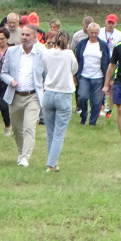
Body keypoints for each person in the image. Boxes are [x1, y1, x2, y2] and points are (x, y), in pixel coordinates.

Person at [0, 24, 47, 168]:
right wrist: (10, 81)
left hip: (33, 96)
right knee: (17, 128)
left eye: (28, 35)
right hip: (15, 96)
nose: (24, 37)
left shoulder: (41, 53)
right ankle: (22, 152)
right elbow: (3, 73)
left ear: (35, 37)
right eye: (23, 35)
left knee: (29, 127)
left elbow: (46, 76)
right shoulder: (12, 52)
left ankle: (26, 157)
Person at [41, 30, 77, 172]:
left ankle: (53, 162)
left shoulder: (47, 52)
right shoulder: (69, 54)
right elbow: (74, 69)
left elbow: (45, 67)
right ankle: (51, 163)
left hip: (48, 93)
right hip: (63, 94)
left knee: (50, 132)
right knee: (59, 133)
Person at [74, 22, 109, 126]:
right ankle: (83, 115)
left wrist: (108, 79)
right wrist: (75, 75)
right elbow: (77, 60)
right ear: (88, 32)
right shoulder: (82, 44)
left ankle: (92, 121)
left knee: (97, 101)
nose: (93, 35)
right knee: (82, 97)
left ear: (98, 32)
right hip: (84, 76)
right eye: (91, 32)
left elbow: (108, 62)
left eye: (95, 33)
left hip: (99, 77)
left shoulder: (103, 45)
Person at [100, 13, 121, 119]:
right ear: (106, 22)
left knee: (111, 86)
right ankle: (101, 106)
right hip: (101, 61)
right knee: (101, 85)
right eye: (109, 22)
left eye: (112, 23)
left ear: (115, 24)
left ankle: (109, 109)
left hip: (114, 62)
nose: (110, 25)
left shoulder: (119, 35)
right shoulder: (99, 32)